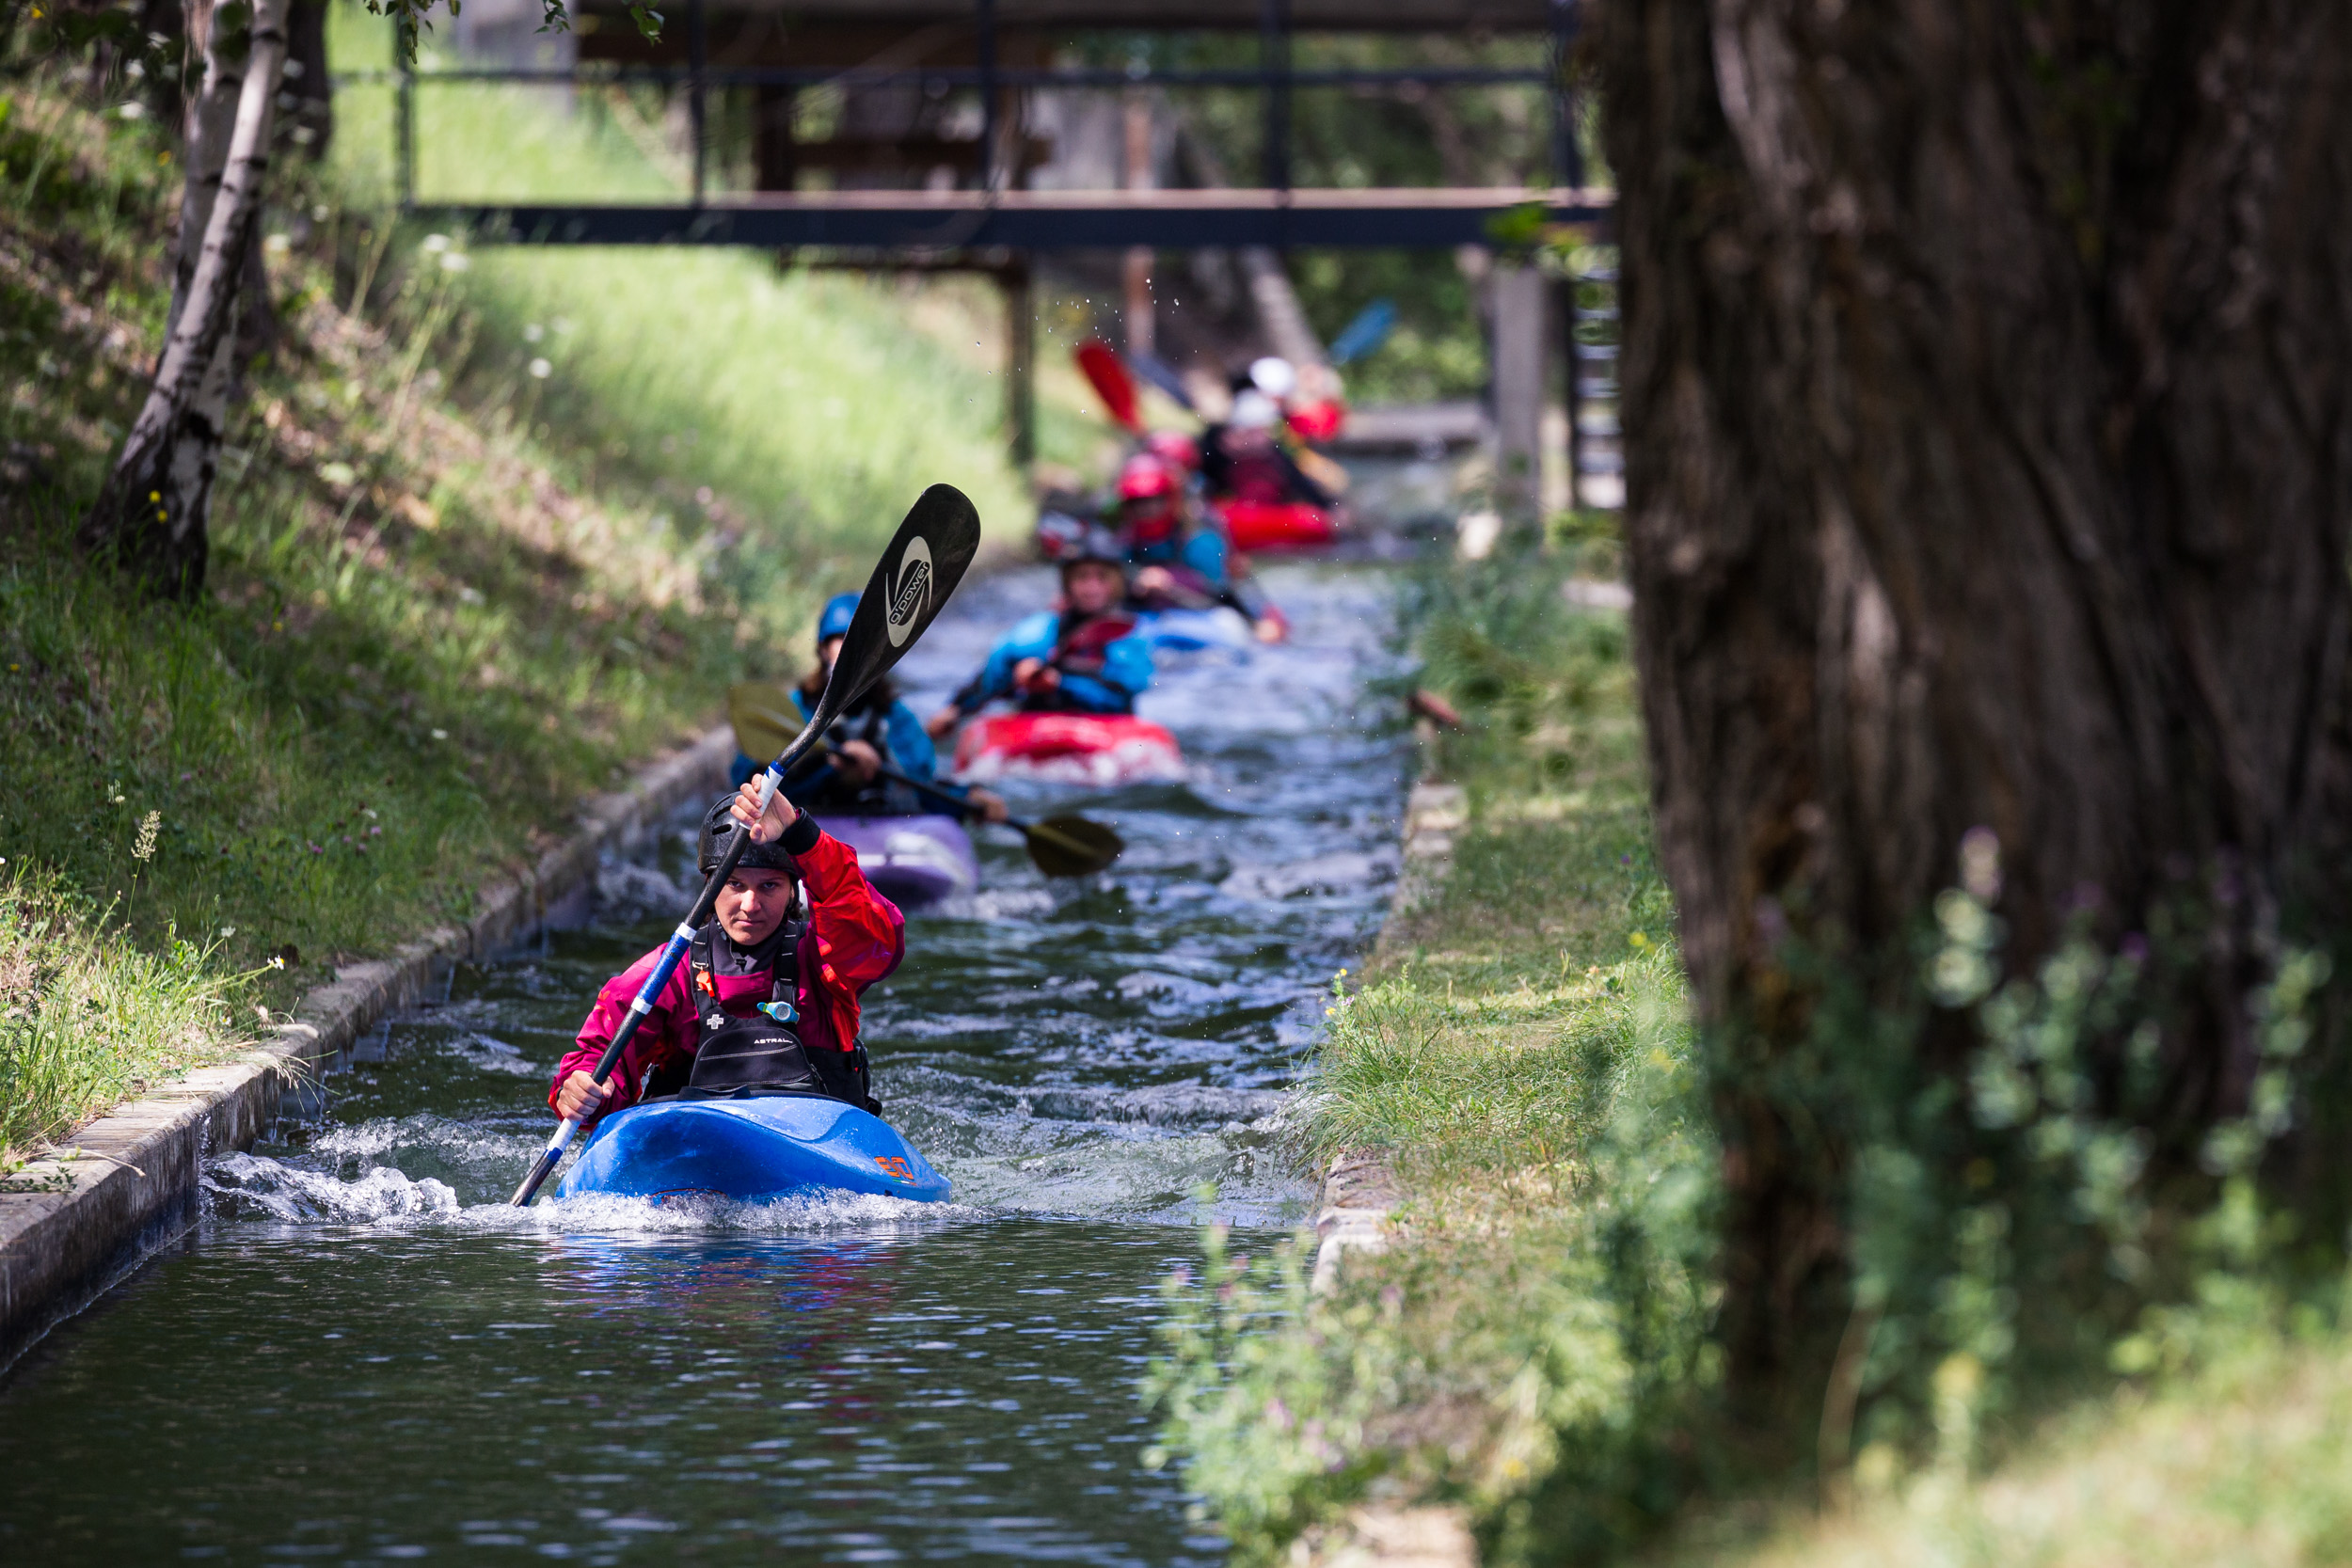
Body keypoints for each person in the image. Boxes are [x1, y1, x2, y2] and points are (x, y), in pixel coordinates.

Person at [549, 784, 902, 1124]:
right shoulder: (666, 972)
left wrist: (803, 835)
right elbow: (599, 1057)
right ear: (710, 886)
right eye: (734, 884)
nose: (750, 905)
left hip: (818, 1151)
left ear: (793, 891)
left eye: (769, 885)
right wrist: (584, 1090)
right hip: (697, 1151)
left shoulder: (826, 960)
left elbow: (877, 935)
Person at [734, 592, 1009, 822]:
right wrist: (832, 767)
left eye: (863, 642)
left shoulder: (895, 717)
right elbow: (746, 784)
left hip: (881, 823)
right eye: (844, 640)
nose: (854, 651)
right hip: (811, 819)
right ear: (822, 650)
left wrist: (969, 799)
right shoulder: (794, 711)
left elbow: (921, 788)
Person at [926, 531, 1153, 737]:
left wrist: (1059, 683)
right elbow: (992, 676)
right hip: (1038, 732)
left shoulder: (1129, 634)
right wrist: (956, 710)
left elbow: (1122, 691)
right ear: (1067, 583)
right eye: (1082, 577)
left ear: (1116, 583)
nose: (1091, 587)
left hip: (1109, 732)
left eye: (1101, 578)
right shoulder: (1037, 633)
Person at [1110, 452, 1287, 643]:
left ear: (1170, 499)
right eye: (1138, 503)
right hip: (1149, 619)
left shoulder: (1200, 540)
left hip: (1203, 616)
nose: (1147, 510)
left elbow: (1221, 591)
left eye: (1156, 501)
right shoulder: (1123, 542)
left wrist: (1170, 583)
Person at [1200, 389, 1337, 510]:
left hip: (1269, 516)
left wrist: (1327, 507)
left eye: (1266, 432)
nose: (1265, 438)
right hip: (1236, 515)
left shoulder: (1276, 456)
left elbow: (1301, 484)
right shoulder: (1218, 450)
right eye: (1258, 432)